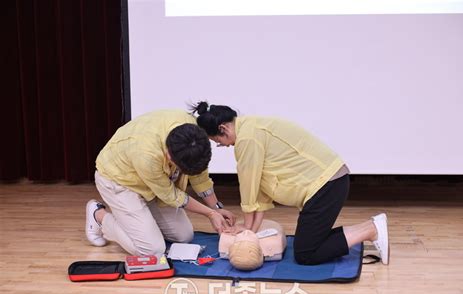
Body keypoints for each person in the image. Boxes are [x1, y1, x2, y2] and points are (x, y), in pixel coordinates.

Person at [191, 101, 389, 265]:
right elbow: (258, 189)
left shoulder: (247, 138)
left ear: (223, 129)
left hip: (327, 186)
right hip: (329, 183)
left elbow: (248, 187)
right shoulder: (251, 128)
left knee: (306, 254)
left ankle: (370, 229)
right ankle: (371, 228)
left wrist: (247, 228)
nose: (222, 146)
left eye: (218, 141)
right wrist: (250, 228)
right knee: (309, 244)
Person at [85, 109, 236, 256]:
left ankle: (141, 220)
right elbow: (171, 195)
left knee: (184, 236)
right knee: (151, 251)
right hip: (120, 181)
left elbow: (200, 177)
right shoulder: (147, 155)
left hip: (152, 186)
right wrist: (210, 214)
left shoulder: (194, 136)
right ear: (170, 156)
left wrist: (216, 208)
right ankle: (99, 215)